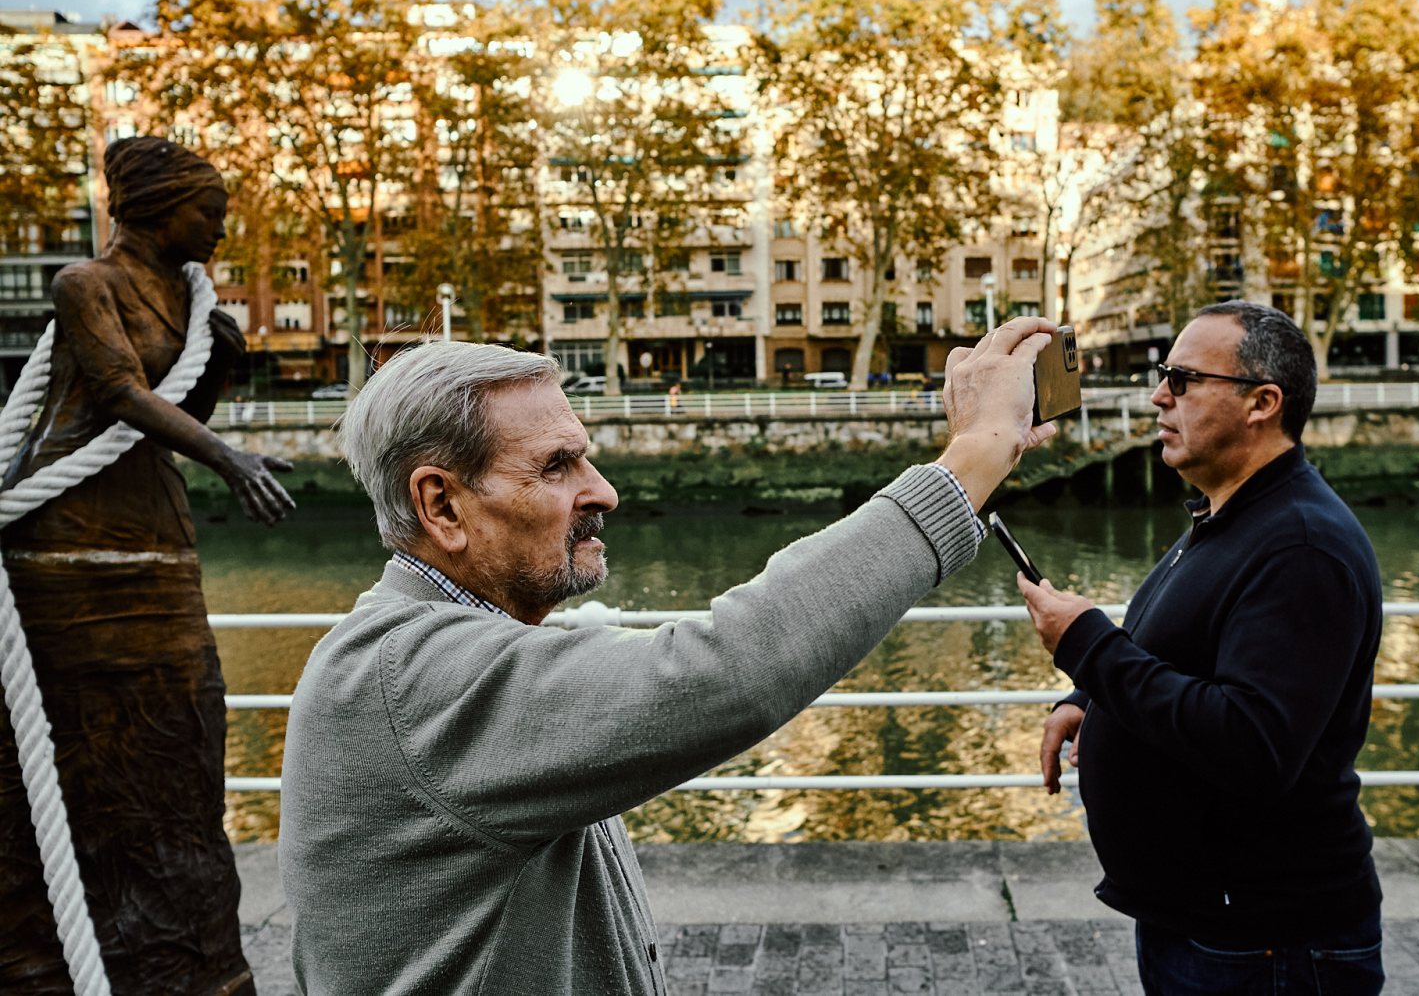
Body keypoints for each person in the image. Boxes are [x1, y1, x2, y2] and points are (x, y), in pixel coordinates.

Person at [279, 318, 1059, 994]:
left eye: (584, 457)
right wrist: (977, 455)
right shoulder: (408, 679)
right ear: (441, 505)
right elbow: (727, 669)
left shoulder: (460, 650)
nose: (605, 491)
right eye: (557, 466)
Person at [0, 136, 296, 994]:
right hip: (72, 540)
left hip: (154, 533)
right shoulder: (85, 285)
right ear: (160, 208)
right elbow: (121, 395)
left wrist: (219, 367)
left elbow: (166, 402)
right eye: (210, 213)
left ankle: (186, 954)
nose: (220, 231)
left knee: (183, 733)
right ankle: (41, 954)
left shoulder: (186, 296)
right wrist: (231, 458)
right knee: (79, 746)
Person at [1020, 301, 1385, 995]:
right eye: (1164, 375)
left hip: (1268, 943)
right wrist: (1089, 699)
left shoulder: (1302, 546)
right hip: (1208, 924)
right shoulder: (1230, 514)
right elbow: (1182, 651)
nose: (1159, 395)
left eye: (1182, 379)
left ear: (1262, 403)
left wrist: (1090, 649)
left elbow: (1253, 742)